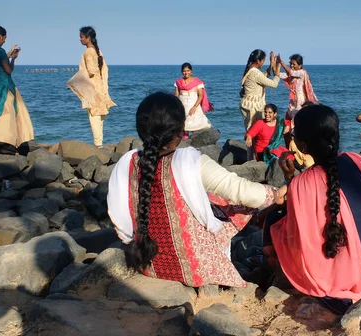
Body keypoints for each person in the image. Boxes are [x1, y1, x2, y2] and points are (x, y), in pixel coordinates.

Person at [107, 92, 286, 288]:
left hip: (148, 265)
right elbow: (243, 192)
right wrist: (275, 194)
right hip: (195, 270)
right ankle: (222, 262)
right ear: (180, 130)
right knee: (226, 201)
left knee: (204, 198)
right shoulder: (189, 161)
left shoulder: (128, 162)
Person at [265, 104, 361, 316]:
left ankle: (271, 269)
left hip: (350, 276)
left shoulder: (303, 182)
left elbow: (301, 234)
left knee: (273, 222)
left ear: (302, 145)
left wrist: (290, 178)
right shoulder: (356, 159)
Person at [0, 25, 34, 155]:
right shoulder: (0, 51)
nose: (4, 41)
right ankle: (10, 142)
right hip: (4, 85)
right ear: (0, 36)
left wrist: (8, 54)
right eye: (4, 38)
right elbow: (8, 70)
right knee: (9, 113)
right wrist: (13, 59)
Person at [67, 26, 116, 148]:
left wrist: (75, 81)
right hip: (99, 86)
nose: (80, 39)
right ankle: (99, 143)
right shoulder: (97, 50)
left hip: (93, 88)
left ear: (88, 38)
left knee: (94, 115)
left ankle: (98, 145)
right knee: (99, 116)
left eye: (82, 37)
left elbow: (91, 71)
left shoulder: (89, 52)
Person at [240, 49, 281, 130]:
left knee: (251, 129)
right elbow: (274, 84)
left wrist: (271, 65)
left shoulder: (251, 70)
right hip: (254, 106)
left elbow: (262, 77)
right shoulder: (256, 73)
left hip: (247, 103)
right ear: (258, 61)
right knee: (255, 131)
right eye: (263, 60)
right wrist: (277, 73)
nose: (263, 63)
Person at [174, 63, 213, 138]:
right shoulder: (178, 82)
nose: (186, 73)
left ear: (191, 71)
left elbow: (201, 96)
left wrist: (194, 107)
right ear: (182, 72)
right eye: (184, 71)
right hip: (183, 107)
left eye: (188, 70)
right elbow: (176, 96)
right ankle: (184, 145)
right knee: (183, 128)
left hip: (194, 107)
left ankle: (196, 146)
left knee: (195, 128)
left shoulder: (197, 82)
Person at [278, 54, 319, 124]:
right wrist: (275, 63)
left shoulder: (302, 72)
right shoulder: (290, 75)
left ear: (300, 66)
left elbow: (292, 72)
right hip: (293, 102)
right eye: (290, 64)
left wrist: (281, 62)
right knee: (289, 120)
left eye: (294, 64)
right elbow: (277, 74)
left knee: (299, 122)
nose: (291, 66)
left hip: (301, 102)